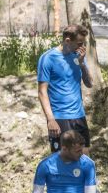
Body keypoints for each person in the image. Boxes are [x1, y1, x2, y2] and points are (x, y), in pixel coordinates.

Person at [37, 24, 93, 154]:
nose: (82, 47)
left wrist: (82, 63)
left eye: (84, 43)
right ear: (68, 40)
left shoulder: (78, 56)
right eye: (79, 43)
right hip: (59, 118)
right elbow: (42, 91)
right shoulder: (48, 58)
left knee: (84, 157)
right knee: (62, 160)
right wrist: (51, 120)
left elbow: (89, 83)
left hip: (79, 116)